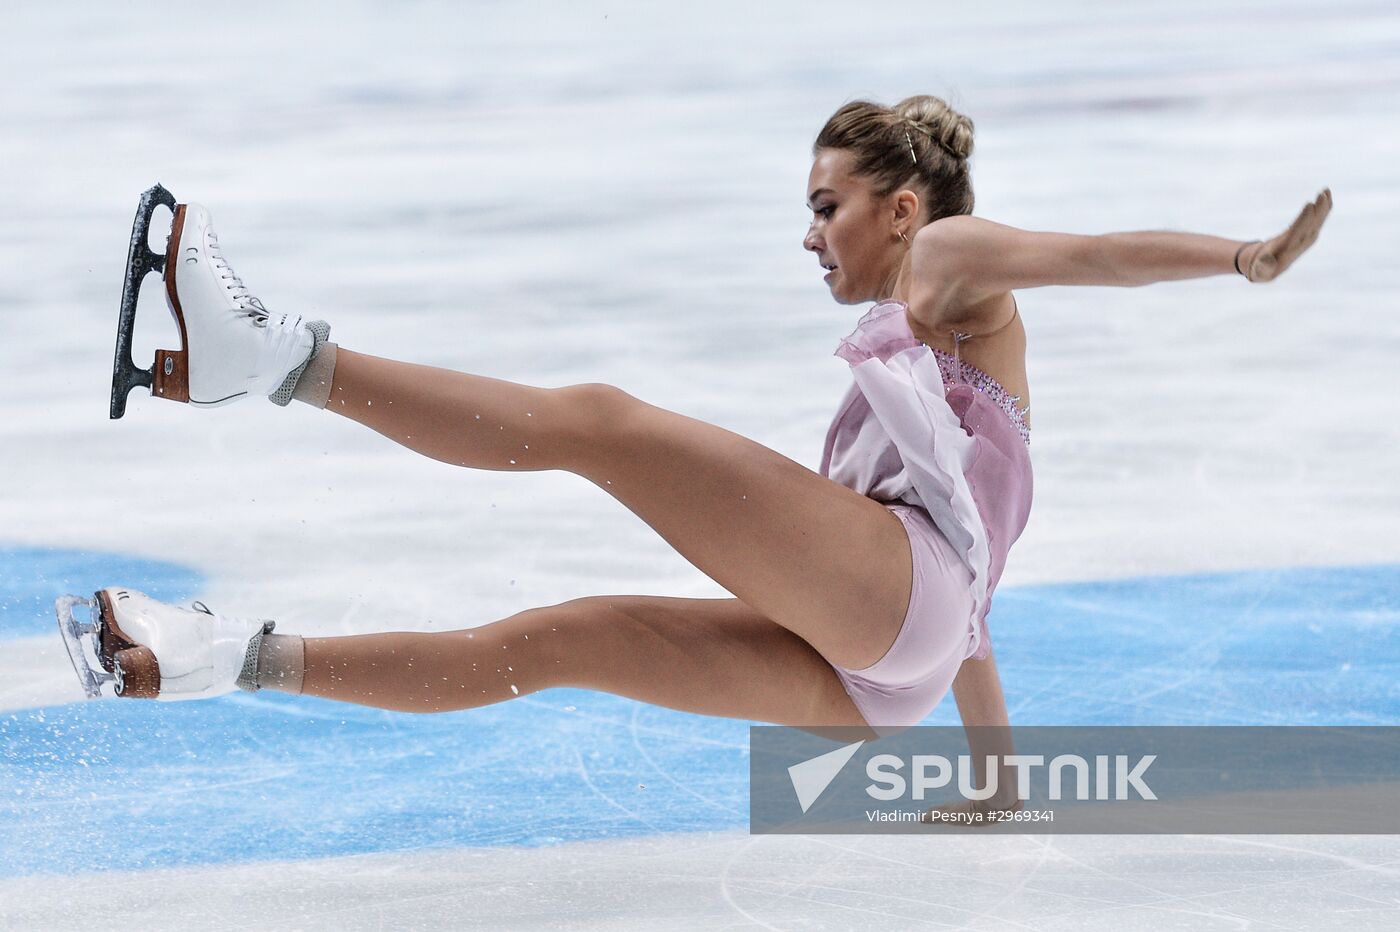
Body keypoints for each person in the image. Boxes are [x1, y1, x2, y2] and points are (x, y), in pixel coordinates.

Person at [70, 96, 1332, 755]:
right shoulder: (919, 390)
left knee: (601, 424)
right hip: (889, 668)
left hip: (899, 615)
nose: (807, 231)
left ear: (898, 207)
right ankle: (216, 658)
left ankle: (259, 356)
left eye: (825, 203)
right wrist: (997, 776)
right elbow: (971, 602)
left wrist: (1240, 257)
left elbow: (1095, 253)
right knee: (552, 640)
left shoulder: (944, 258)